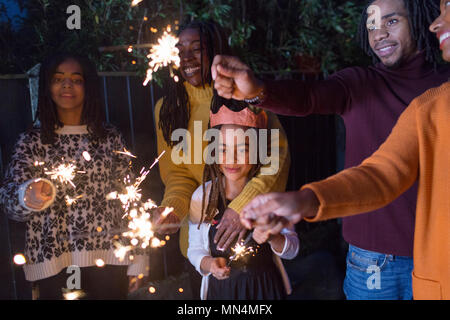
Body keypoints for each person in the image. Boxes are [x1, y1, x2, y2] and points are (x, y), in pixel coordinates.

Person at [212, 0, 450, 300]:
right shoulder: (361, 83)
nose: (378, 35)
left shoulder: (441, 95)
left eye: (391, 22)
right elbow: (310, 98)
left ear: (419, 20)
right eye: (372, 26)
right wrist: (258, 91)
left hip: (441, 256)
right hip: (373, 262)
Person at [153, 20, 290, 297]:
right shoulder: (168, 109)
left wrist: (242, 206)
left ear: (216, 51)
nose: (187, 58)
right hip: (203, 254)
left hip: (255, 254)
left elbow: (276, 160)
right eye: (180, 51)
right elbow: (177, 174)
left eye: (197, 49)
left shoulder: (246, 97)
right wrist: (173, 210)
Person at [0, 53, 148, 299]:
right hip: (52, 266)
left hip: (110, 263)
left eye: (76, 79)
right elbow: (7, 200)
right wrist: (27, 196)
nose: (67, 85)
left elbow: (131, 199)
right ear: (48, 86)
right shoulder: (31, 140)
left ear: (87, 86)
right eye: (58, 79)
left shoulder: (109, 137)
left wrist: (139, 260)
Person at [187, 98, 298, 300]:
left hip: (265, 290)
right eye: (223, 149)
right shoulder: (201, 197)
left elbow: (292, 250)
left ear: (258, 150)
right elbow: (194, 250)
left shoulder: (270, 195)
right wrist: (209, 264)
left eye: (243, 149)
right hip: (222, 293)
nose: (232, 158)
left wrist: (273, 236)